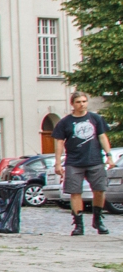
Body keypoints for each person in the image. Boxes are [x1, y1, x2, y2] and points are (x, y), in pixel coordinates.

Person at [53, 91, 113, 236]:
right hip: (74, 161)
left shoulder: (95, 118)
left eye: (84, 101)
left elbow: (102, 136)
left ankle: (98, 219)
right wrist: (58, 162)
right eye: (78, 102)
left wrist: (109, 155)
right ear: (72, 104)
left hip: (95, 160)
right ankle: (78, 223)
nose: (82, 104)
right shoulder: (65, 122)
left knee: (99, 189)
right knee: (75, 192)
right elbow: (59, 142)